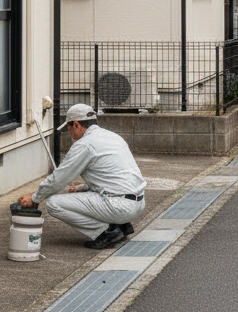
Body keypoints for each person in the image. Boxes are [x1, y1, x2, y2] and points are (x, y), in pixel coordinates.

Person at [17, 104, 147, 249]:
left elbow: (59, 179)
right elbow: (115, 176)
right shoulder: (112, 137)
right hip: (138, 203)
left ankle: (106, 231)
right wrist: (83, 187)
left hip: (119, 206)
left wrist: (35, 198)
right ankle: (120, 224)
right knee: (87, 195)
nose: (70, 133)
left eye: (69, 128)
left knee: (54, 204)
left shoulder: (84, 145)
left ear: (76, 124)